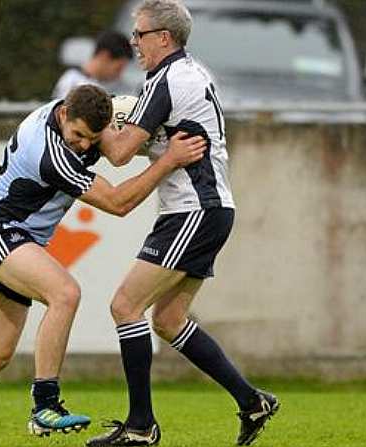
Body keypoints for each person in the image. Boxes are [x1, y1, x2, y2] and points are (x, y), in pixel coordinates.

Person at [0, 84, 206, 447]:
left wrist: (120, 130)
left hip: (7, 238)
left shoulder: (74, 112)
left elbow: (113, 149)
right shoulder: (49, 154)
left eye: (90, 137)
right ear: (63, 114)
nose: (82, 144)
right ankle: (44, 406)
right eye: (78, 136)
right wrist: (168, 159)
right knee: (65, 293)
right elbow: (117, 202)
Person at [86, 1, 279, 446]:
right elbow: (156, 142)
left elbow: (117, 154)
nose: (133, 43)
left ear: (163, 38)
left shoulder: (166, 81)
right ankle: (252, 401)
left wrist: (92, 127)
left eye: (139, 34)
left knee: (124, 306)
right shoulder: (193, 72)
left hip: (195, 210)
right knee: (169, 320)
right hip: (206, 209)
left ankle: (140, 426)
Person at [52, 30, 133, 99]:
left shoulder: (101, 85)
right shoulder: (73, 83)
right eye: (118, 68)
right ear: (104, 56)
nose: (119, 75)